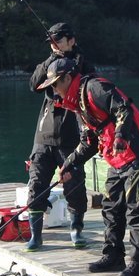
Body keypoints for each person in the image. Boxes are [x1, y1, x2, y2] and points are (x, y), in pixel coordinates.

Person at [37, 58, 139, 276]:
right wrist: (70, 163)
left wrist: (121, 136)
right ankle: (113, 256)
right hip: (117, 159)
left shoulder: (94, 88)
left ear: (67, 78)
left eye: (55, 84)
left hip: (138, 153)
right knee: (111, 207)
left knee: (136, 209)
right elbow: (89, 141)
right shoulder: (77, 105)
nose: (54, 90)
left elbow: (124, 108)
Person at [23, 22, 92, 251]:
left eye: (59, 40)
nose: (54, 45)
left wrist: (72, 64)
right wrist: (52, 60)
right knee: (36, 184)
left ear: (71, 40)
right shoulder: (49, 63)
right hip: (43, 136)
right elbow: (34, 85)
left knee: (75, 186)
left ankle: (77, 230)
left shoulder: (84, 63)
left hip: (71, 137)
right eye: (51, 42)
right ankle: (36, 235)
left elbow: (92, 89)